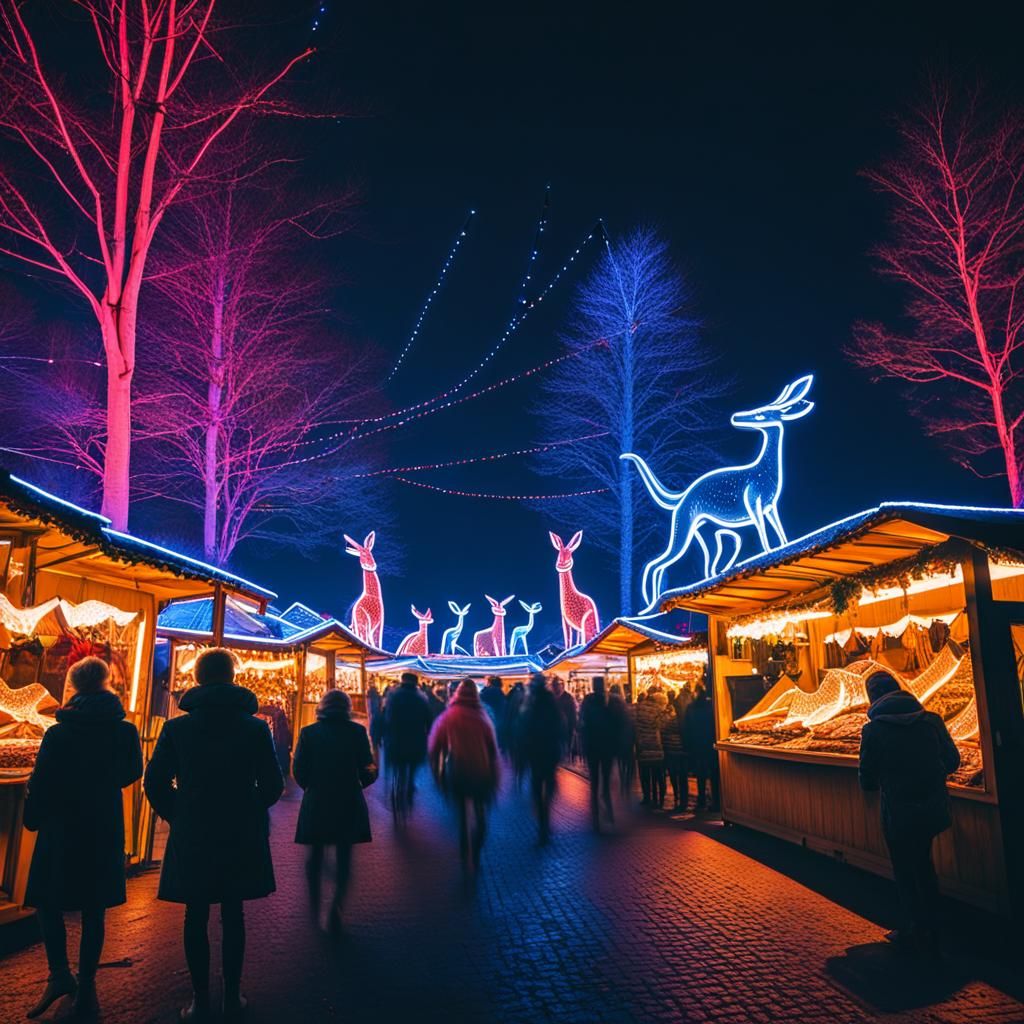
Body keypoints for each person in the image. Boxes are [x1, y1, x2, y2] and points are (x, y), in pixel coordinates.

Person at [145, 647, 284, 1022]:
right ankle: (232, 995)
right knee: (233, 912)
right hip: (239, 830)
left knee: (195, 912)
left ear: (199, 678)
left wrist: (180, 813)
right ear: (232, 678)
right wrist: (249, 807)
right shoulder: (255, 727)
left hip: (194, 830)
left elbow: (154, 781)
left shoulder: (177, 728)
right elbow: (273, 784)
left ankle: (200, 998)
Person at [23, 657, 143, 1020]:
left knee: (48, 899)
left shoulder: (59, 732)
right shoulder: (124, 731)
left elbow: (41, 782)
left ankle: (59, 974)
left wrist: (33, 816)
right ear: (108, 684)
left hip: (61, 825)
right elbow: (131, 772)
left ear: (73, 686)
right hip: (103, 824)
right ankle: (87, 983)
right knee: (94, 908)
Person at [859, 670, 960, 954]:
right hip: (932, 806)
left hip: (899, 810)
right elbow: (953, 760)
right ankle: (933, 926)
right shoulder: (931, 721)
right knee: (924, 864)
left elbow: (866, 777)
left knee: (905, 869)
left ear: (874, 697)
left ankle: (916, 928)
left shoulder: (874, 730)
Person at [292, 690, 377, 936]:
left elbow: (299, 770)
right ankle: (336, 907)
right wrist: (360, 783)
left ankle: (314, 904)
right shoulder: (357, 732)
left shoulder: (309, 733)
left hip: (317, 801)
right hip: (347, 800)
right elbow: (367, 767)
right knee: (343, 857)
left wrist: (311, 787)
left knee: (315, 857)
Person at [428, 679, 500, 873]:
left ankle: (463, 851)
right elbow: (493, 750)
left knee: (461, 816)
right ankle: (476, 851)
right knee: (480, 814)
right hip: (481, 771)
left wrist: (437, 772)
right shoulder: (483, 717)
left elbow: (434, 747)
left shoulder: (449, 716)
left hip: (457, 770)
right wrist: (495, 776)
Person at [517, 673, 562, 842]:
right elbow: (559, 725)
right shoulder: (551, 702)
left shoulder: (530, 703)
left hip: (535, 752)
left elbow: (523, 728)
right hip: (549, 751)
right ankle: (546, 814)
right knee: (549, 783)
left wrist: (523, 750)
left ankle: (542, 820)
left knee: (536, 784)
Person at [381, 672, 431, 817]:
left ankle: (397, 792)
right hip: (415, 740)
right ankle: (409, 788)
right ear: (416, 683)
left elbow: (386, 717)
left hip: (396, 739)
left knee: (398, 767)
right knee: (411, 767)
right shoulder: (422, 698)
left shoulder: (393, 696)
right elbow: (428, 720)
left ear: (402, 681)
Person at [579, 676, 618, 831]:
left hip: (592, 747)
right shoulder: (610, 702)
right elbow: (616, 723)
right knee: (606, 782)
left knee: (594, 783)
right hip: (606, 747)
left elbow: (581, 723)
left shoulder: (587, 701)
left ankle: (595, 818)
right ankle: (609, 814)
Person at [683, 684, 719, 811]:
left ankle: (702, 800)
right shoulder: (712, 707)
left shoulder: (691, 708)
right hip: (710, 744)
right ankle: (717, 801)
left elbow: (686, 728)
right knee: (714, 774)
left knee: (701, 775)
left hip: (697, 745)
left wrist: (688, 746)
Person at [635, 687, 669, 807]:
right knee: (658, 775)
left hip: (642, 748)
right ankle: (659, 799)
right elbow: (663, 726)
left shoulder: (638, 708)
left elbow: (634, 726)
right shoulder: (658, 709)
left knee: (645, 776)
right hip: (656, 748)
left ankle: (647, 797)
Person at [608, 683, 635, 797]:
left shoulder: (609, 705)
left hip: (617, 738)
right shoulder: (626, 706)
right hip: (627, 737)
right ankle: (628, 781)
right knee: (628, 760)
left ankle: (624, 779)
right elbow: (630, 722)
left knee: (621, 761)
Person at [661, 698, 686, 811]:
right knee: (682, 776)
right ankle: (683, 800)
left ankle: (677, 795)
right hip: (681, 751)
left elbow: (663, 734)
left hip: (670, 751)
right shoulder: (683, 721)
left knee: (673, 775)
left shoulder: (666, 721)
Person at [550, 676, 577, 761]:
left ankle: (565, 758)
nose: (555, 687)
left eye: (557, 685)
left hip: (566, 727)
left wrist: (573, 726)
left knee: (565, 745)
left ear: (562, 686)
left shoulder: (568, 697)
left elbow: (572, 713)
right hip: (555, 728)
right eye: (554, 685)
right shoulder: (550, 698)